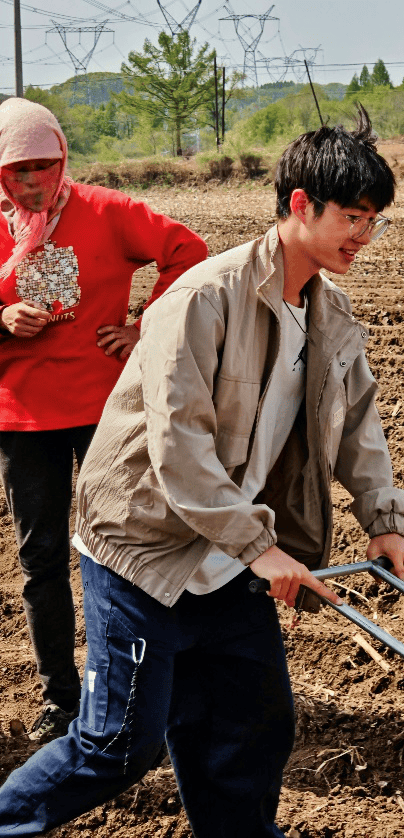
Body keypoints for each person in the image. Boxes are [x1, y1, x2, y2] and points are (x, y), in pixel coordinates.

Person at [0, 106, 404, 838]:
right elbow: (178, 452)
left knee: (254, 724)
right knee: (118, 747)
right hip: (145, 549)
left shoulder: (331, 314)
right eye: (353, 216)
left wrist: (384, 520)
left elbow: (356, 425)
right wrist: (262, 547)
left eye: (373, 219)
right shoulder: (205, 302)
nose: (364, 235)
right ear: (299, 205)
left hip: (224, 559)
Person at [0, 97, 208, 742]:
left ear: (64, 157)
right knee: (41, 559)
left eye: (44, 165)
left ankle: (140, 687)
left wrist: (142, 327)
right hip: (22, 416)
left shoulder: (107, 212)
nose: (33, 182)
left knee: (126, 550)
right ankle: (61, 699)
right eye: (15, 171)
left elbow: (189, 253)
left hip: (105, 413)